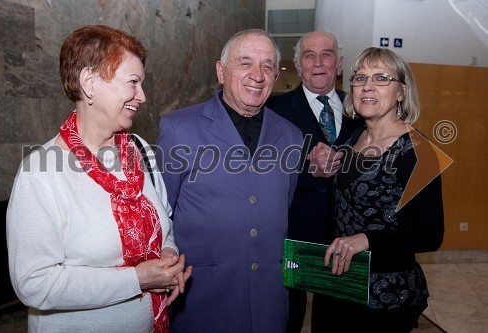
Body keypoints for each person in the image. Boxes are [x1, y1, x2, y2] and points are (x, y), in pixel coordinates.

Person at [6, 25, 192, 333]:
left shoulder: (140, 150)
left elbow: (165, 223)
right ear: (90, 83)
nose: (142, 97)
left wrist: (167, 256)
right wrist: (138, 279)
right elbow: (34, 284)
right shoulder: (39, 173)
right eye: (133, 82)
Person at [155, 29, 303, 333]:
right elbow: (158, 214)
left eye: (267, 66)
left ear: (276, 76)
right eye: (245, 63)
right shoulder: (178, 129)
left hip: (269, 306)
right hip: (201, 303)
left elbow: (282, 207)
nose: (257, 75)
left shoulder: (292, 136)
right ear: (222, 71)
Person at [308, 47, 445, 333]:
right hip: (337, 286)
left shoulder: (420, 152)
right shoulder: (353, 137)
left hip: (385, 296)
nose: (367, 87)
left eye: (382, 78)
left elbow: (431, 234)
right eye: (360, 79)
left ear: (401, 92)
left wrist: (367, 239)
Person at [266, 31, 362, 332]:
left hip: (347, 238)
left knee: (337, 320)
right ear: (298, 64)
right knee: (288, 318)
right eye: (309, 55)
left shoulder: (360, 109)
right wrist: (311, 171)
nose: (318, 62)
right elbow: (263, 170)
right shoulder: (273, 110)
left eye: (327, 54)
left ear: (340, 64)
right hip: (294, 233)